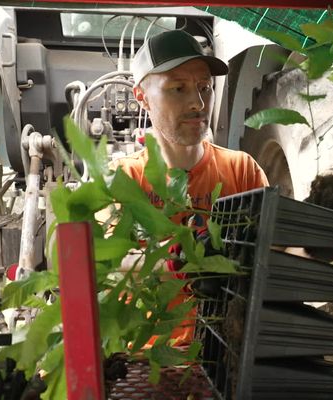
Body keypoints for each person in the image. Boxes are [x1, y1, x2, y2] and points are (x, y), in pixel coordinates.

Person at [113, 29, 269, 345]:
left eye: (204, 87)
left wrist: (314, 243)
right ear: (141, 97)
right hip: (150, 357)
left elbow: (273, 249)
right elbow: (111, 262)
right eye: (178, 89)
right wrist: (177, 258)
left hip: (226, 350)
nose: (198, 103)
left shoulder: (241, 170)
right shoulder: (126, 178)